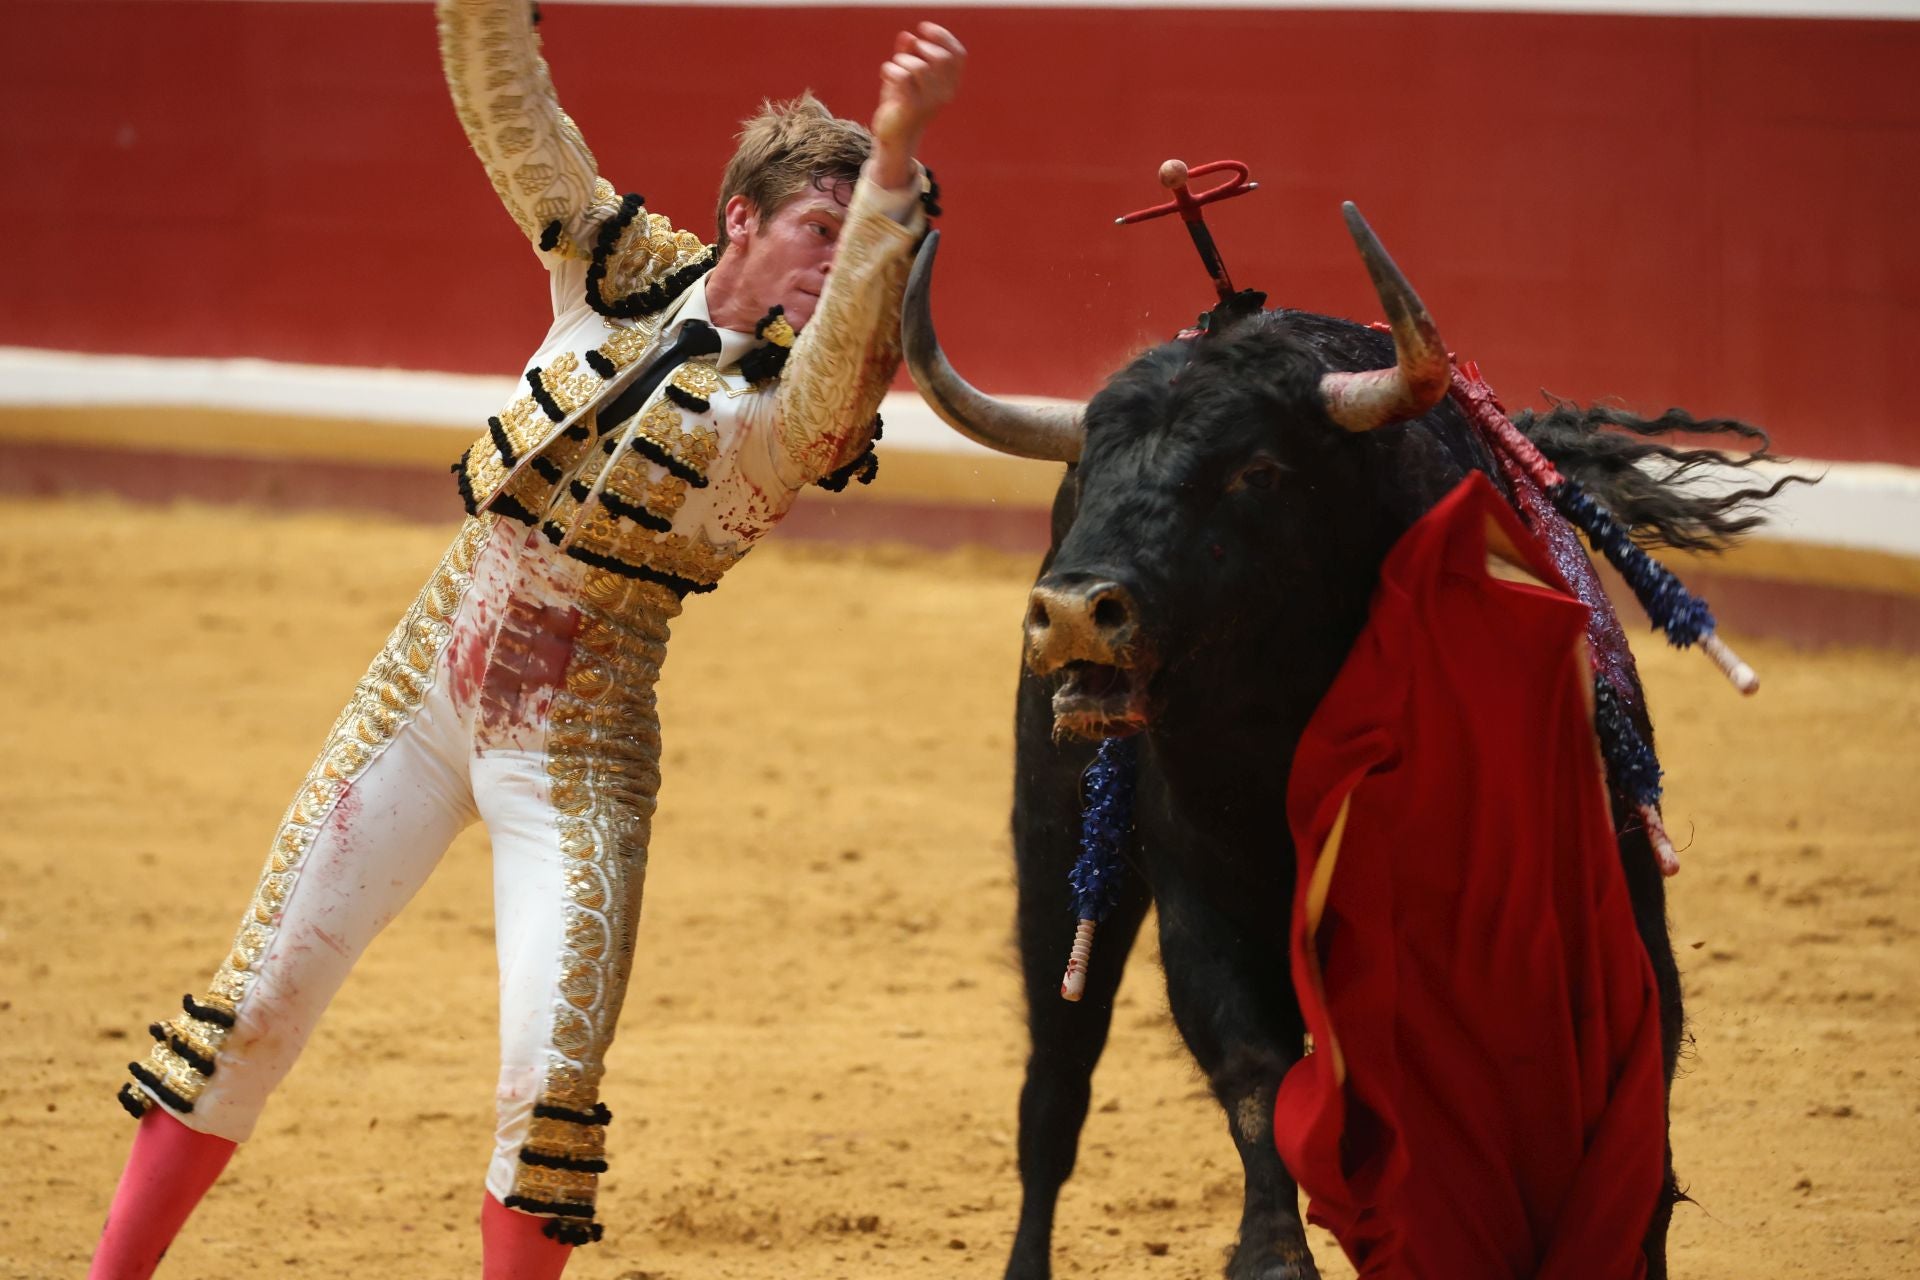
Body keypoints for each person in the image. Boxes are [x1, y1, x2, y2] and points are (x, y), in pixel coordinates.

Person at [89, 4, 964, 1276]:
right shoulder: (614, 270)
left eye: (858, 242)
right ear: (740, 220)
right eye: (815, 233)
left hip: (578, 746)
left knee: (548, 1087)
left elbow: (842, 359)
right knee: (256, 999)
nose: (837, 267)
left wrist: (893, 163)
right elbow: (519, 121)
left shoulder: (797, 414)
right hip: (422, 687)